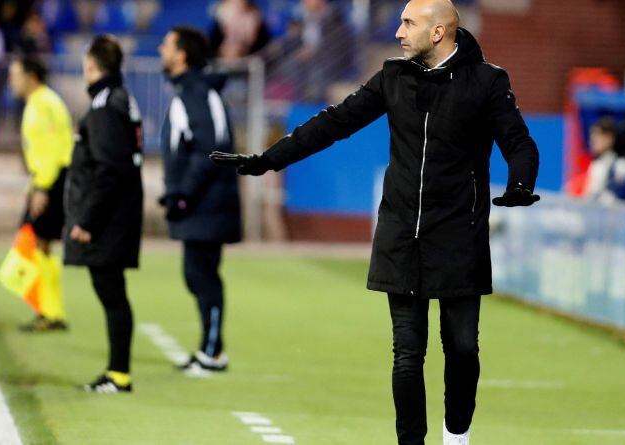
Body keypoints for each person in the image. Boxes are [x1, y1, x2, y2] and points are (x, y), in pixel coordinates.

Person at [211, 1, 540, 444]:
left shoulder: (487, 82)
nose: (400, 32)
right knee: (407, 354)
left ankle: (456, 437)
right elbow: (334, 122)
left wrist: (521, 183)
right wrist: (268, 160)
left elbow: (518, 141)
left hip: (459, 236)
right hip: (400, 235)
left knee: (462, 348)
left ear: (439, 31)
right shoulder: (393, 76)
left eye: (409, 23)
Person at [158, 27, 242, 373]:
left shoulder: (197, 93)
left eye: (166, 43)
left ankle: (212, 352)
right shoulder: (192, 91)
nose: (161, 48)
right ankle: (211, 348)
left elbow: (209, 151)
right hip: (204, 202)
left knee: (202, 274)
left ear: (181, 55)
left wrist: (182, 195)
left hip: (207, 202)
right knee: (197, 274)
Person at [64, 35, 144, 393]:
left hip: (109, 219)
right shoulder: (121, 99)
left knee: (111, 293)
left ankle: (118, 374)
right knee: (113, 292)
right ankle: (118, 373)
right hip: (119, 214)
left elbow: (110, 169)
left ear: (91, 65)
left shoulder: (104, 105)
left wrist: (87, 221)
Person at [8, 55, 74, 332]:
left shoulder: (43, 103)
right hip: (48, 180)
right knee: (41, 245)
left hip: (51, 181)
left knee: (37, 244)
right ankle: (50, 311)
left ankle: (48, 313)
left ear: (31, 75)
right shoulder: (41, 101)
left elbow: (49, 150)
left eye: (16, 74)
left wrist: (42, 188)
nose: (12, 80)